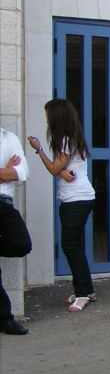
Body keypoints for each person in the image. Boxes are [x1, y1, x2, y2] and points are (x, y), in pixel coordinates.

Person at [28, 99, 96, 313]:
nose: (47, 120)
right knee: (75, 245)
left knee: (70, 246)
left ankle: (82, 294)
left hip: (76, 199)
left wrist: (39, 149)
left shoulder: (66, 140)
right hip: (78, 197)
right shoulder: (73, 138)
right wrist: (62, 172)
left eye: (48, 115)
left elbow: (53, 168)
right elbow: (62, 169)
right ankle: (87, 290)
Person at [0, 127, 32, 335]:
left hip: (4, 204)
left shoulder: (8, 138)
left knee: (21, 244)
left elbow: (22, 172)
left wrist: (11, 173)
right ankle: (5, 318)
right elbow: (12, 173)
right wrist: (5, 172)